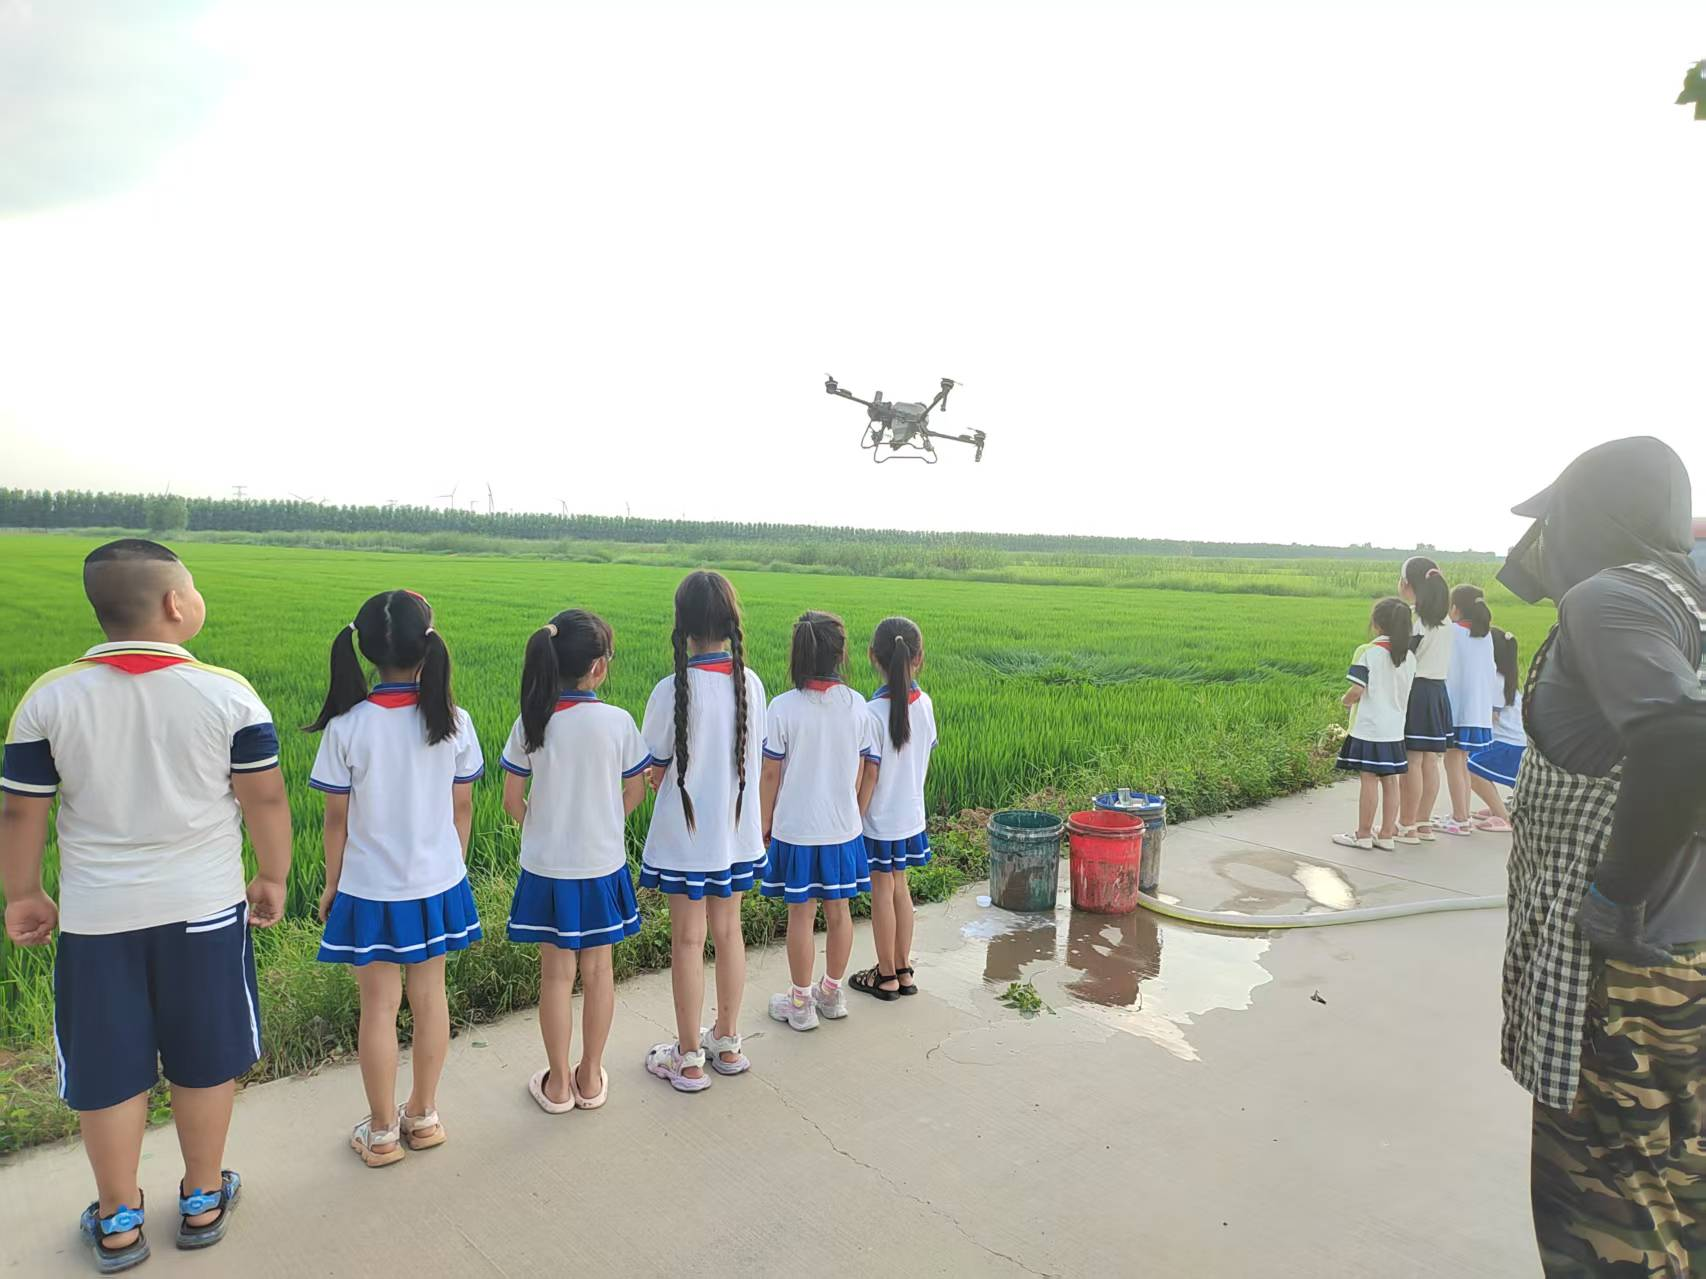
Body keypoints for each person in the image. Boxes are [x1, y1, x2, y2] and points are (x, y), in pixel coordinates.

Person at [0, 540, 291, 1272]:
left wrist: (24, 891)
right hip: (205, 912)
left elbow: (20, 810)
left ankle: (118, 1217)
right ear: (174, 604)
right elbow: (264, 797)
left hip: (98, 921)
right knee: (205, 1057)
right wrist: (273, 874)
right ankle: (202, 1197)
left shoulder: (49, 697)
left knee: (108, 1067)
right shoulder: (228, 694)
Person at [1495, 437, 1706, 1274]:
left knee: (1605, 1218)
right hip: (1685, 964)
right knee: (1678, 1200)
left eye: (1555, 517)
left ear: (1594, 515)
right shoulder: (1685, 598)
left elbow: (1680, 740)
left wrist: (1617, 895)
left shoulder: (1610, 595)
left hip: (1627, 985)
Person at [305, 590, 485, 1168]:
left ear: (364, 651)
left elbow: (336, 821)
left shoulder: (347, 727)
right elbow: (462, 808)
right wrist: (451, 866)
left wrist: (331, 885)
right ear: (427, 648)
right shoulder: (454, 722)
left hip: (370, 890)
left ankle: (382, 1132)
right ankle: (424, 1116)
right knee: (430, 999)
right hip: (437, 884)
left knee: (378, 1007)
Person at [500, 611, 649, 1114]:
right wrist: (603, 822)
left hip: (547, 868)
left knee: (555, 977)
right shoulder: (618, 722)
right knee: (600, 972)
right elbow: (636, 790)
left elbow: (511, 799)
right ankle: (590, 1077)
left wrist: (543, 828)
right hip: (601, 864)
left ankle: (558, 1084)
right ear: (598, 667)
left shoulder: (532, 721)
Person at [639, 571, 765, 1092]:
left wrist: (657, 777)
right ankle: (728, 1043)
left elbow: (652, 764)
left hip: (686, 841)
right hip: (735, 837)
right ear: (731, 622)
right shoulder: (750, 683)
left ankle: (689, 1057)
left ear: (683, 625)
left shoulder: (671, 689)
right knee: (729, 933)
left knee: (688, 941)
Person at [759, 610, 881, 1030]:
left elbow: (770, 773)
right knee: (840, 911)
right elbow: (865, 767)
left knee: (801, 915)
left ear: (797, 654)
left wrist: (763, 822)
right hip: (842, 829)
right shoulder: (857, 705)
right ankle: (831, 993)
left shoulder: (782, 707)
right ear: (840, 654)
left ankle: (800, 1003)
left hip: (796, 829)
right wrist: (853, 813)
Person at [850, 616, 937, 1000]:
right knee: (900, 886)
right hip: (910, 816)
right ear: (918, 658)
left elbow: (869, 775)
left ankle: (885, 975)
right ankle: (903, 969)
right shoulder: (925, 705)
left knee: (882, 891)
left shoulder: (871, 713)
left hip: (879, 819)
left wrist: (854, 818)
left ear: (873, 656)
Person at [1332, 597, 1416, 851]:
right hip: (1395, 730)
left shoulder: (1367, 651)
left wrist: (1345, 701)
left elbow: (1357, 690)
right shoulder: (1409, 656)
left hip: (1369, 728)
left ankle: (1364, 834)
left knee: (1368, 778)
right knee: (1390, 780)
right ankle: (1387, 835)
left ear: (1377, 624)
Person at [1395, 556, 1454, 844]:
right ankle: (1423, 823)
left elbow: (1401, 659)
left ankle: (1406, 825)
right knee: (1430, 761)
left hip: (1416, 692)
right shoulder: (1445, 621)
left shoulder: (1414, 620)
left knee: (1412, 761)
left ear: (1407, 584)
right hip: (1438, 692)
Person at [1440, 584, 1497, 836]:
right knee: (1460, 761)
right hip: (1477, 710)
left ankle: (1460, 818)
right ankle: (1461, 816)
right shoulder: (1485, 636)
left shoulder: (1451, 631)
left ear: (1454, 608)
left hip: (1456, 709)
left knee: (1453, 761)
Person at [1466, 628, 1523, 833]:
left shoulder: (1494, 680)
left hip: (1507, 744)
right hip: (1513, 742)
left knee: (1470, 769)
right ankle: (1497, 808)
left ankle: (1502, 816)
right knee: (1473, 764)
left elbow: (1492, 717)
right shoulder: (1504, 678)